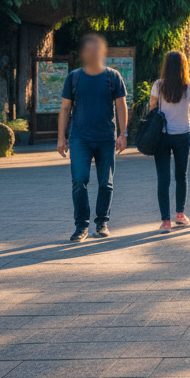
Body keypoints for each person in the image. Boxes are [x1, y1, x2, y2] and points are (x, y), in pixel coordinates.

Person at [57, 34, 128, 243]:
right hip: (80, 138)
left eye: (97, 49)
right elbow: (65, 107)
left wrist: (123, 134)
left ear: (103, 52)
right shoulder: (74, 77)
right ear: (83, 53)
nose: (92, 53)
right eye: (88, 49)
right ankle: (81, 226)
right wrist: (62, 137)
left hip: (106, 137)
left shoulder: (112, 76)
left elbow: (121, 105)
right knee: (79, 180)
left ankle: (102, 222)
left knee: (106, 183)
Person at [148, 50, 190, 234]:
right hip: (182, 135)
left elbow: (152, 107)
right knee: (181, 176)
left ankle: (165, 221)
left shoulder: (158, 85)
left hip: (161, 135)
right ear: (183, 66)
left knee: (163, 178)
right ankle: (180, 214)